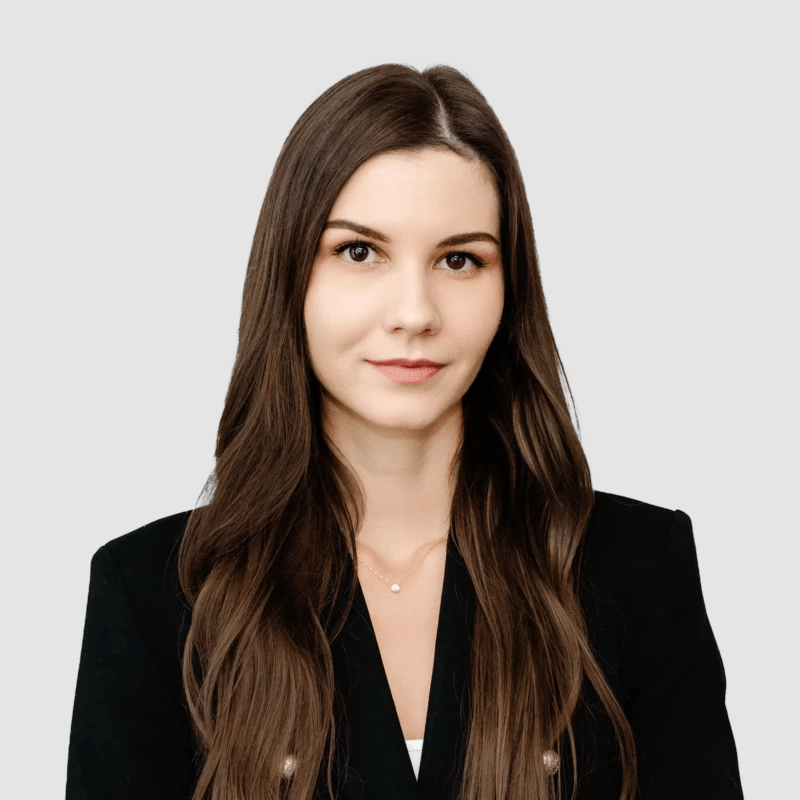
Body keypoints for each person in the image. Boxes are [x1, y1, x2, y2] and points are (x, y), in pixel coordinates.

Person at [65, 63, 744, 800]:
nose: (415, 312)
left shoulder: (636, 570)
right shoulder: (155, 593)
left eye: (460, 259)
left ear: (508, 288)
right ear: (288, 275)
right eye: (359, 252)